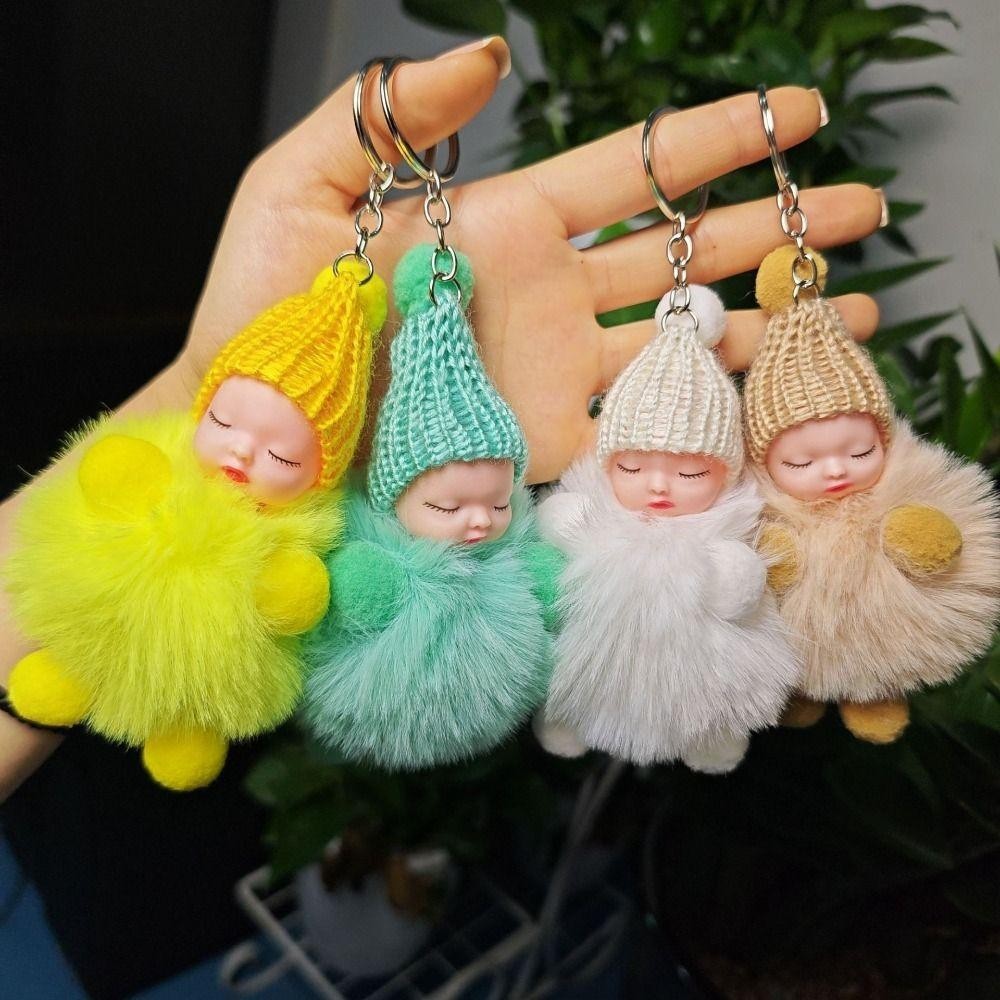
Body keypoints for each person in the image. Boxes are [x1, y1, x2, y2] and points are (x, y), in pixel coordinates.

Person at [0, 36, 885, 801]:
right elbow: (321, 584)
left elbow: (546, 580)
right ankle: (74, 680)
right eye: (227, 422)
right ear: (387, 497)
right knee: (79, 614)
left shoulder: (506, 550)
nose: (476, 521)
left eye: (496, 505)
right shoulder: (345, 534)